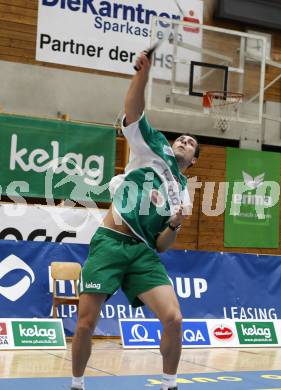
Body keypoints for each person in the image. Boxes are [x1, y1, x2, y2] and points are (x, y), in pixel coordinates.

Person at [71, 52, 200, 390]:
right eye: (181, 138)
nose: (184, 141)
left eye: (191, 143)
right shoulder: (153, 148)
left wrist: (173, 224)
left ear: (195, 160)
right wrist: (142, 75)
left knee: (174, 318)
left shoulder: (183, 194)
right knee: (86, 323)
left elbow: (163, 245)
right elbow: (133, 110)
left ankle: (170, 383)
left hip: (144, 253)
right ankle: (77, 383)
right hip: (111, 242)